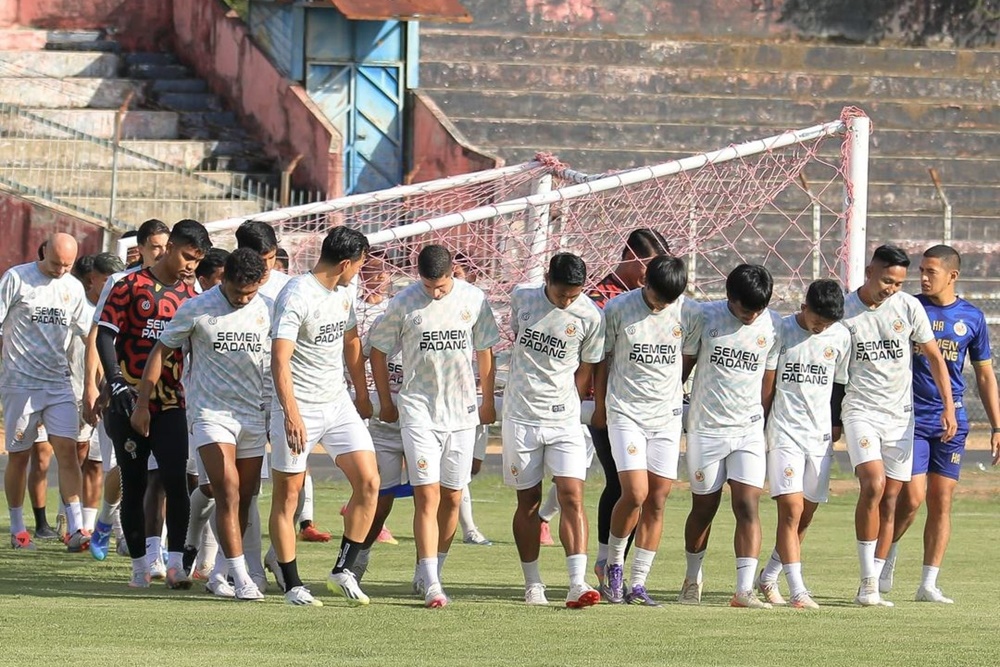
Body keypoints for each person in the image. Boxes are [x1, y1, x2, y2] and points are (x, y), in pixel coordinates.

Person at [133, 248, 270, 601]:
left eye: (250, 293)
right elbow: (160, 352)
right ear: (222, 279)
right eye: (237, 292)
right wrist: (143, 402)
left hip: (253, 415)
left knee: (245, 497)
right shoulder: (197, 308)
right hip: (211, 414)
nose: (243, 299)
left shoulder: (268, 309)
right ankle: (243, 579)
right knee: (227, 489)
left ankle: (220, 573)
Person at [370, 244, 499, 608]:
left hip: (460, 411)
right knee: (427, 495)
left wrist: (487, 400)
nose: (436, 293)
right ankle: (431, 582)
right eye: (429, 287)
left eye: (441, 286)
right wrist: (385, 400)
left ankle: (432, 567)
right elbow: (377, 350)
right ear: (418, 275)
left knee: (453, 497)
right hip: (418, 410)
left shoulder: (474, 299)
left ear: (453, 272)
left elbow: (485, 349)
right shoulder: (403, 302)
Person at [878, 245, 1000, 603]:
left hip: (953, 421)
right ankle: (890, 552)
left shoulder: (972, 318)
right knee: (912, 498)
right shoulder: (908, 307)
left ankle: (928, 583)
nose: (924, 277)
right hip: (910, 418)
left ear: (952, 276)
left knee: (941, 501)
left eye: (932, 271)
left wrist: (996, 427)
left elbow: (985, 376)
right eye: (922, 271)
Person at [838, 244, 956, 607]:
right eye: (887, 280)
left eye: (899, 283)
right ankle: (867, 583)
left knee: (891, 498)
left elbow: (935, 356)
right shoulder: (845, 310)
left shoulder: (908, 307)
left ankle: (872, 578)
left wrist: (948, 407)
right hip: (860, 410)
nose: (892, 288)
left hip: (900, 417)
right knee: (872, 484)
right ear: (870, 271)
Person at [96, 220, 211, 588]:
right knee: (135, 483)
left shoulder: (191, 300)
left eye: (198, 260)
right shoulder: (128, 285)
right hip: (127, 401)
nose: (191, 266)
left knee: (176, 481)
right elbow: (104, 336)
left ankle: (176, 563)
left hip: (171, 402)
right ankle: (140, 566)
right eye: (187, 256)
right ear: (171, 246)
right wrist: (114, 383)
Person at [268, 225, 378, 607]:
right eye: (360, 265)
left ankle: (343, 570)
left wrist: (361, 394)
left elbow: (351, 341)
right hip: (300, 407)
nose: (360, 273)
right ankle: (292, 584)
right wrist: (291, 414)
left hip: (337, 404)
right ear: (346, 262)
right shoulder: (297, 294)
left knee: (368, 482)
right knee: (288, 498)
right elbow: (279, 359)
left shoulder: (346, 292)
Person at [502, 253, 605, 608]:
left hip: (564, 420)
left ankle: (577, 583)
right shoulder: (522, 298)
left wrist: (570, 398)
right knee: (528, 503)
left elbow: (588, 365)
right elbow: (517, 336)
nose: (566, 301)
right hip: (521, 416)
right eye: (561, 294)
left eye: (573, 296)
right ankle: (533, 584)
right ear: (547, 278)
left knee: (572, 496)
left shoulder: (590, 315)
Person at [592, 254, 693, 606]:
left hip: (666, 416)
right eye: (656, 296)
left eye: (668, 300)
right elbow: (602, 360)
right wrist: (601, 406)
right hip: (625, 413)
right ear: (643, 282)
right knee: (634, 492)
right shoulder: (618, 308)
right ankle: (613, 566)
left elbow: (691, 353)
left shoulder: (687, 312)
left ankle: (638, 582)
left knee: (658, 498)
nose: (661, 305)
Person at [679, 264, 781, 609]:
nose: (752, 315)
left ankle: (743, 590)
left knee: (747, 504)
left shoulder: (773, 325)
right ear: (729, 298)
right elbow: (685, 367)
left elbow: (769, 381)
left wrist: (763, 423)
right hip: (706, 429)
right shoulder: (705, 318)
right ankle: (693, 578)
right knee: (704, 508)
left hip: (748, 430)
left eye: (759, 308)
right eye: (745, 308)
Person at [754, 279, 851, 609]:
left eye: (828, 323)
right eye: (817, 320)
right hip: (783, 432)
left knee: (805, 516)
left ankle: (768, 577)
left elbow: (839, 385)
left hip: (819, 436)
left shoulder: (839, 337)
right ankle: (798, 590)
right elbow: (767, 383)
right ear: (804, 307)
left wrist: (836, 423)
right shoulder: (781, 331)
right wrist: (760, 422)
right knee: (791, 510)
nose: (821, 327)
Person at [587, 228, 669, 586]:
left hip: (650, 408)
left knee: (641, 490)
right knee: (624, 487)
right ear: (632, 258)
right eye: (649, 266)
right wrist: (597, 403)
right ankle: (607, 560)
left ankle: (619, 567)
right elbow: (595, 355)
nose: (651, 274)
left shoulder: (660, 297)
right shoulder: (601, 298)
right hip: (601, 403)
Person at [85, 220, 170, 561]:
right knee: (122, 467)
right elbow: (98, 334)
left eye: (167, 246)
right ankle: (106, 521)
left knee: (160, 470)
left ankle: (155, 546)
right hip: (120, 389)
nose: (162, 253)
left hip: (162, 393)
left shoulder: (179, 286)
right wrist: (92, 387)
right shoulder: (121, 283)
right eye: (156, 247)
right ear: (142, 248)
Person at [1, 233, 90, 551]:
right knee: (20, 456)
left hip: (58, 384)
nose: (61, 270)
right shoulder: (17, 278)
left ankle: (77, 528)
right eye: (56, 263)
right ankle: (18, 529)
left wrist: (92, 383)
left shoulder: (73, 287)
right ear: (44, 253)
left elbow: (89, 333)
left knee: (67, 451)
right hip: (20, 383)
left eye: (68, 264)